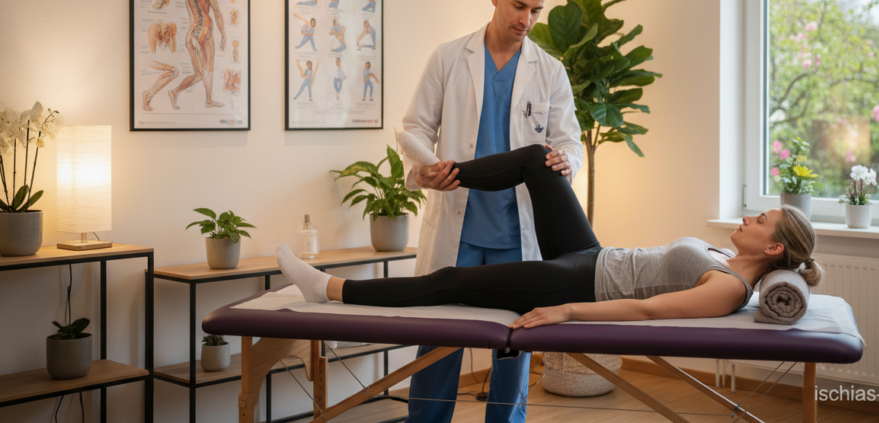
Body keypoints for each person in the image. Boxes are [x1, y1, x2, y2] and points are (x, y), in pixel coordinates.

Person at [276, 143, 821, 325]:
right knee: (541, 161)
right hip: (592, 253)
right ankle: (447, 175)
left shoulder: (728, 287)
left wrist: (566, 312)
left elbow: (648, 311)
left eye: (762, 221)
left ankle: (327, 289)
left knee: (449, 280)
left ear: (773, 247)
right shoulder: (727, 256)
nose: (749, 217)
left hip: (579, 284)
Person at [397, 0, 583, 423]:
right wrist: (422, 172)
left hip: (515, 234)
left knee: (513, 350)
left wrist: (566, 160)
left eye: (536, 11)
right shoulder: (448, 56)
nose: (527, 20)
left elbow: (568, 141)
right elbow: (415, 128)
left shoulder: (550, 71)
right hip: (457, 231)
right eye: (519, 5)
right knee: (439, 348)